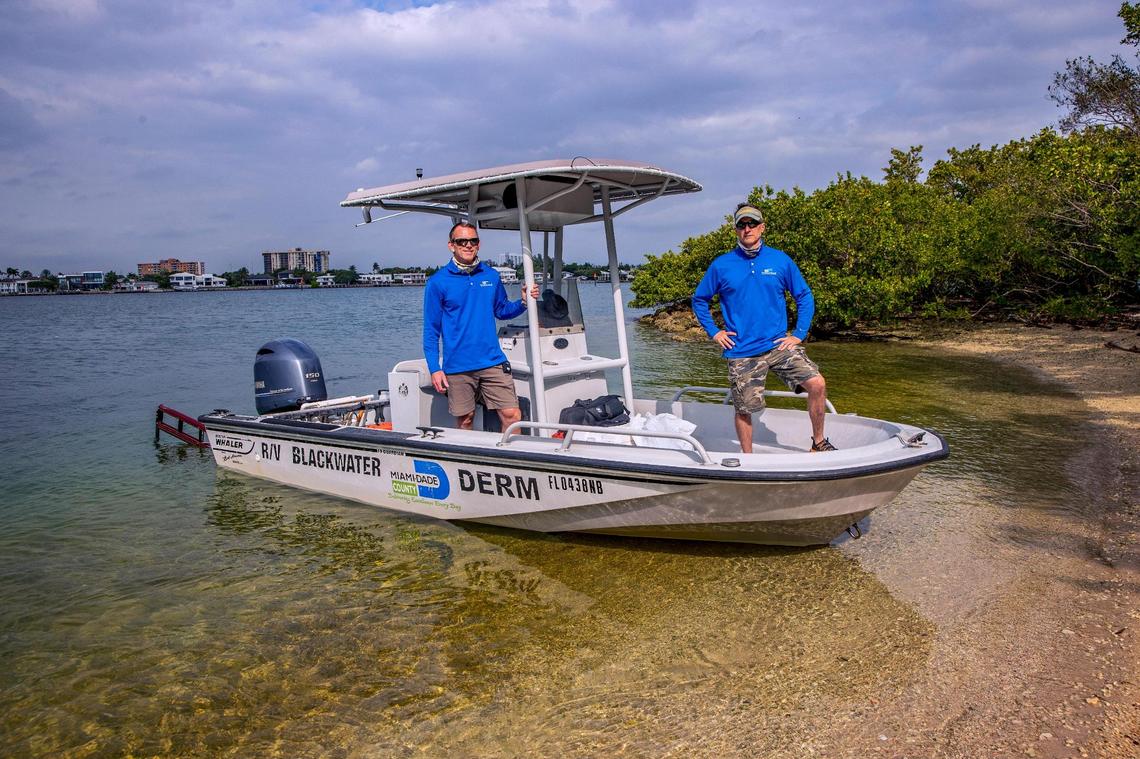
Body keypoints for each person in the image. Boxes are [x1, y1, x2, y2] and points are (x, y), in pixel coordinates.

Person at [691, 203, 836, 453]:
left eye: (752, 224)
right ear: (736, 230)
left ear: (762, 227)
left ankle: (819, 443)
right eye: (741, 224)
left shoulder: (780, 260)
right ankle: (748, 459)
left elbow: (804, 295)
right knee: (744, 408)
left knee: (818, 384)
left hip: (778, 345)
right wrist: (715, 332)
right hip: (742, 350)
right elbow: (699, 299)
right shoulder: (721, 265)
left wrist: (799, 334)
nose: (747, 229)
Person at [423, 221, 540, 430]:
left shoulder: (491, 275)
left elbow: (502, 310)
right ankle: (469, 462)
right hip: (458, 366)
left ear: (479, 244)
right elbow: (431, 331)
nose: (468, 245)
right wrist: (434, 368)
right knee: (465, 420)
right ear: (451, 245)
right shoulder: (437, 282)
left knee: (513, 416)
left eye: (473, 240)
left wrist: (523, 302)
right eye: (462, 241)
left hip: (492, 361)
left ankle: (509, 461)